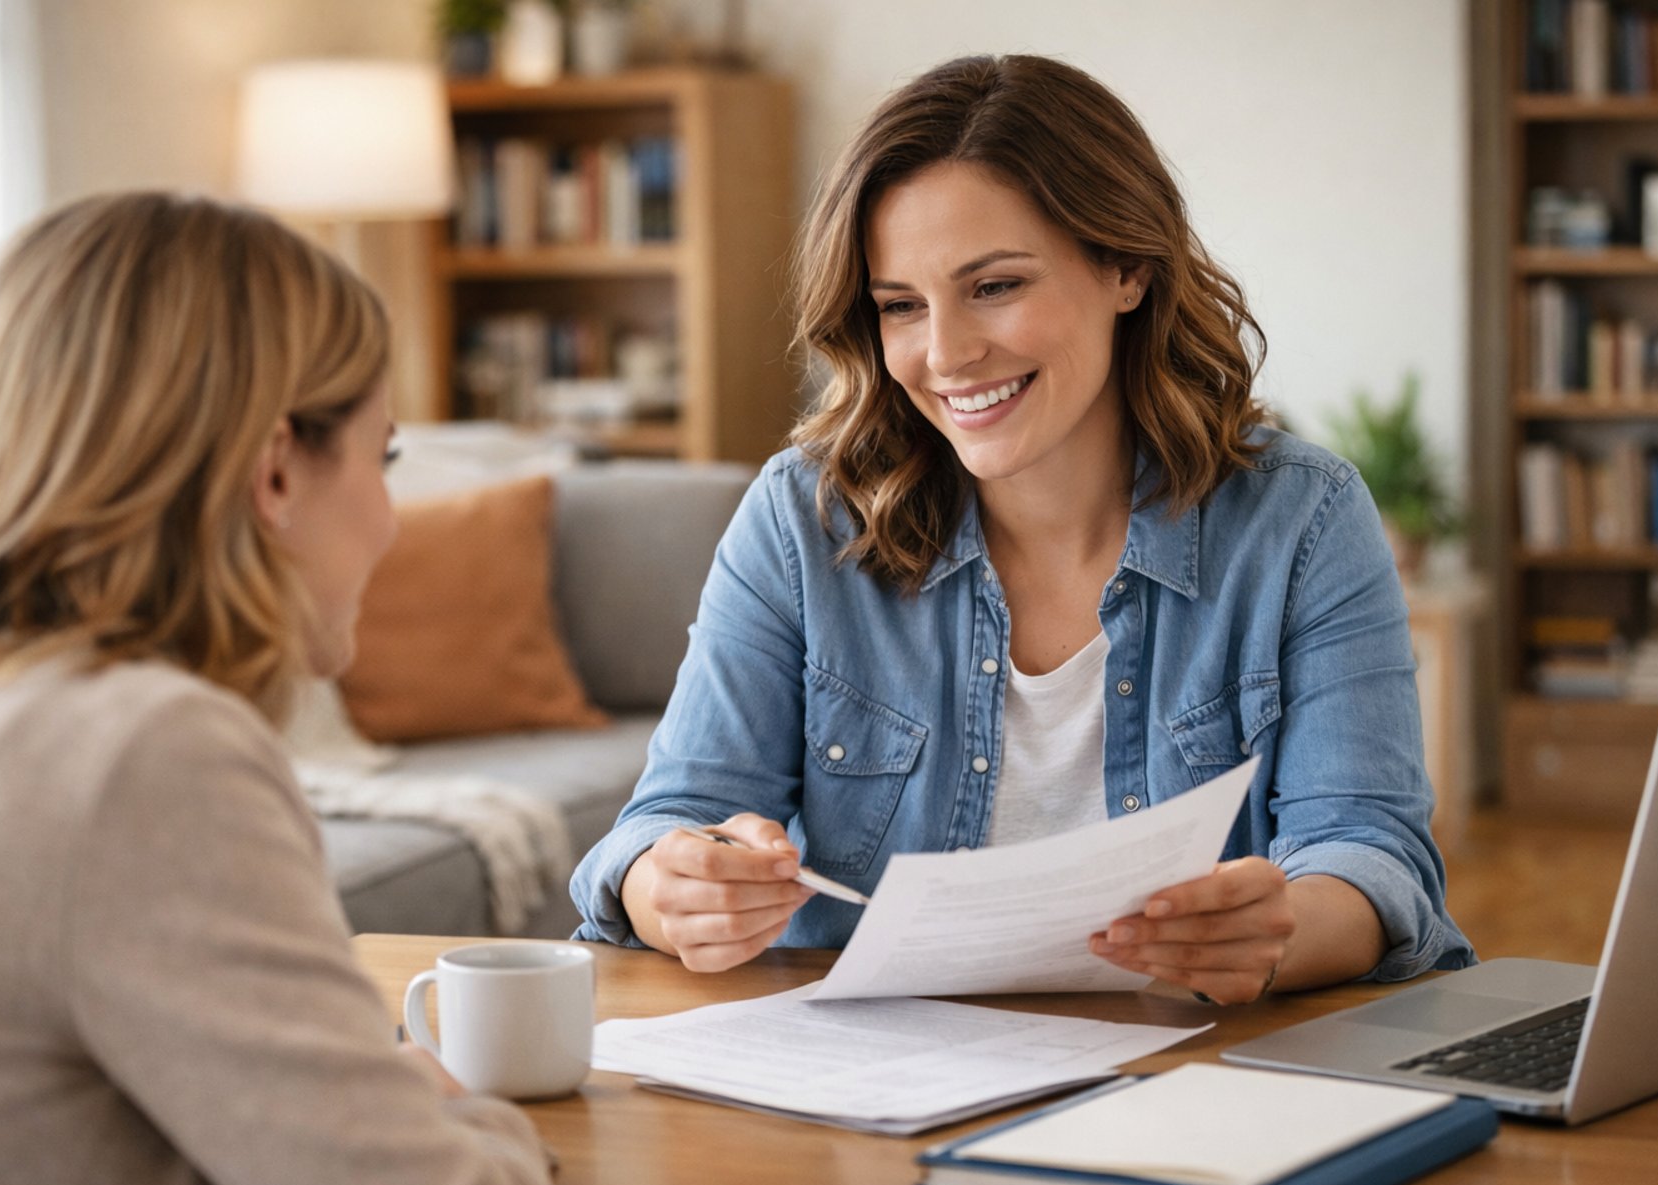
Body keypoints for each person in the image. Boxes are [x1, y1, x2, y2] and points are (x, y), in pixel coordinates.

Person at [570, 54, 1474, 1003]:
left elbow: (1371, 854)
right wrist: (668, 885)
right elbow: (663, 825)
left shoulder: (1302, 519)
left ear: (1125, 265)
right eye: (901, 307)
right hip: (876, 1086)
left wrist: (1277, 930)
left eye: (995, 286)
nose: (948, 354)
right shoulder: (804, 521)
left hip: (1198, 1080)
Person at [0, 193, 571, 1185]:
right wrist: (462, 1108)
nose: (391, 519)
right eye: (383, 458)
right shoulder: (143, 755)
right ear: (273, 471)